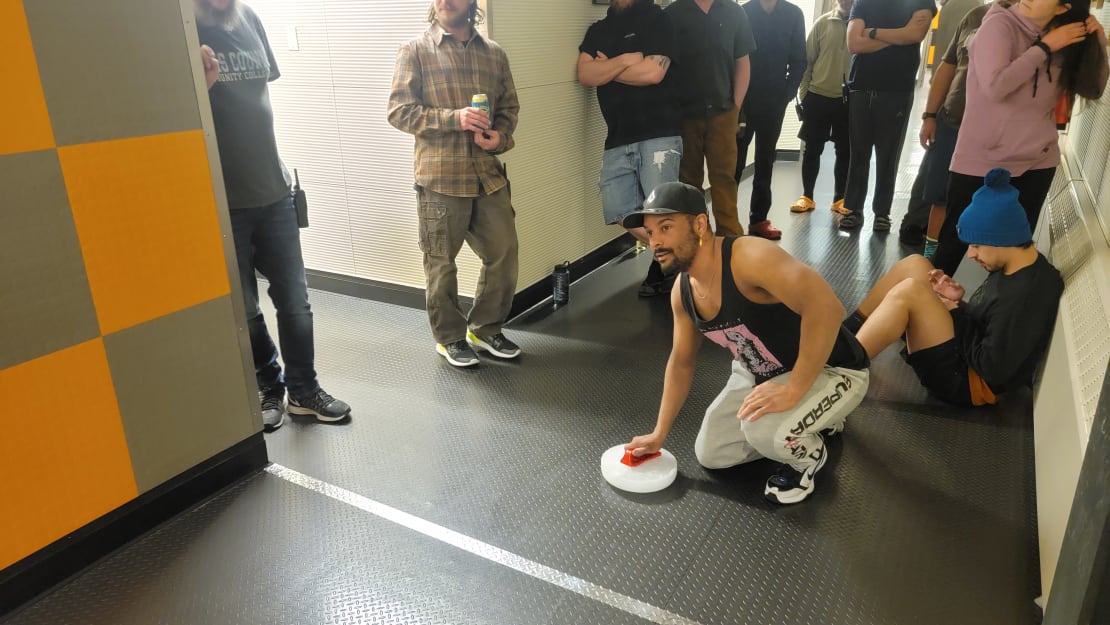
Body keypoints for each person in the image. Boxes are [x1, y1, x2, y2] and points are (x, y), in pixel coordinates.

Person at [622, 182, 870, 505]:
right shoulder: (682, 293)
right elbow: (681, 362)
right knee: (712, 452)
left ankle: (809, 454)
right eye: (651, 232)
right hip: (760, 371)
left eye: (666, 228)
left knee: (761, 430)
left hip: (835, 368)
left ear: (699, 224)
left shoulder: (749, 258)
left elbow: (828, 309)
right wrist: (659, 433)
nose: (656, 242)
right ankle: (809, 420)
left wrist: (794, 389)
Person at [195, 0, 351, 430]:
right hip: (222, 201)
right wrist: (198, 87)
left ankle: (304, 390)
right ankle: (270, 385)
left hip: (274, 190)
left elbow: (259, 98)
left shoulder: (249, 17)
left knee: (296, 303)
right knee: (245, 309)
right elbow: (166, 116)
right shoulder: (181, 25)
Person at [846, 169, 1063, 406]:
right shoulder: (1016, 265)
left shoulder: (1025, 296)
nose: (971, 254)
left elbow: (992, 370)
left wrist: (955, 312)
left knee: (910, 291)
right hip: (963, 356)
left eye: (977, 245)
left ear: (1002, 240)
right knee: (915, 264)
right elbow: (987, 325)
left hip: (967, 384)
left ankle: (842, 370)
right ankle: (847, 335)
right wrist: (958, 302)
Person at [388, 0, 523, 368]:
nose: (446, 0)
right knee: (441, 263)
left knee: (504, 252)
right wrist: (455, 119)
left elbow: (509, 109)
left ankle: (485, 327)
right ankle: (449, 337)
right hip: (440, 177)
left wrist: (500, 138)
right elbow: (399, 111)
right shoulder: (415, 50)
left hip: (487, 175)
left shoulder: (493, 54)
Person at [932, 0, 1108, 275]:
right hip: (981, 159)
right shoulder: (999, 24)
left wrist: (1097, 43)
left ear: (1063, 8)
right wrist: (1045, 47)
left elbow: (1093, 89)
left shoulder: (1066, 35)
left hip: (1036, 163)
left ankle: (994, 315)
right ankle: (925, 310)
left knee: (1014, 254)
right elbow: (996, 86)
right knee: (954, 245)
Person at [578, 0, 683, 297]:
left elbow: (653, 73)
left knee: (661, 214)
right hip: (618, 137)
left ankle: (682, 270)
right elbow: (585, 75)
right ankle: (682, 258)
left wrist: (606, 67)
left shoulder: (659, 21)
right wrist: (627, 59)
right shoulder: (598, 30)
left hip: (659, 134)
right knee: (619, 209)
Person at [904, 1, 997, 259]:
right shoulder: (976, 15)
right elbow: (947, 67)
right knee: (939, 194)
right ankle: (931, 259)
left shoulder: (1033, 26)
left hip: (995, 134)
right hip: (952, 123)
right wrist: (930, 115)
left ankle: (976, 261)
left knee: (984, 198)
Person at [839, 0, 937, 232]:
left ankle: (882, 212)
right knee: (858, 154)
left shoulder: (921, 2)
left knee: (888, 155)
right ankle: (853, 209)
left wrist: (871, 32)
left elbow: (915, 35)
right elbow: (854, 43)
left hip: (897, 90)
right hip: (861, 88)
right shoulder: (863, 2)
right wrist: (898, 36)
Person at [666, 0, 756, 237]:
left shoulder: (735, 12)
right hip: (685, 117)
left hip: (723, 114)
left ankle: (730, 242)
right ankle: (696, 241)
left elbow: (743, 63)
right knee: (688, 183)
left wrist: (735, 108)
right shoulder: (673, 13)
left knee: (724, 178)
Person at [734, 0, 807, 240]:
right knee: (733, 162)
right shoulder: (742, 13)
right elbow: (732, 57)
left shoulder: (793, 15)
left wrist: (786, 94)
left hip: (773, 103)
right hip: (742, 103)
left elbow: (799, 60)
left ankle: (758, 220)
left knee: (765, 161)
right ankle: (728, 222)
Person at [790, 0, 853, 216]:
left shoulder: (862, 25)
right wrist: (804, 94)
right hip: (817, 96)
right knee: (812, 150)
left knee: (845, 151)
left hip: (848, 100)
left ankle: (840, 198)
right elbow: (807, 61)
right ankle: (807, 196)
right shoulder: (823, 23)